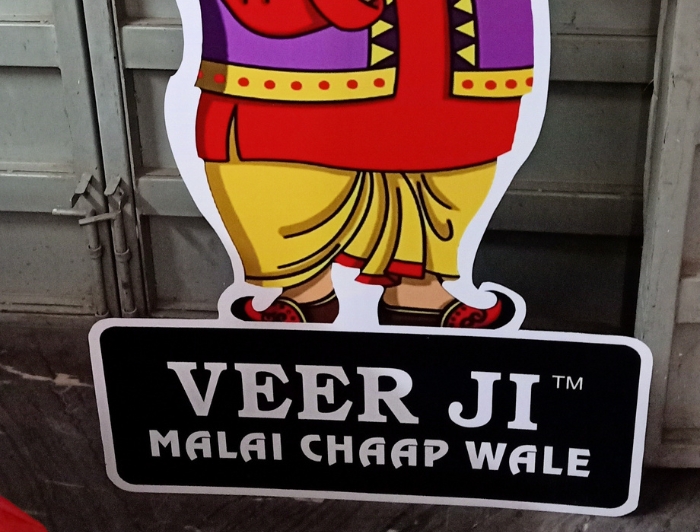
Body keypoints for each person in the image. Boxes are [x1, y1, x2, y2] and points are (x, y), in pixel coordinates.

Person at [195, 0, 534, 327]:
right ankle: (305, 290)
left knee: (451, 144)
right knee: (287, 145)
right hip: (312, 57)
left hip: (455, 40)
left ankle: (419, 291)